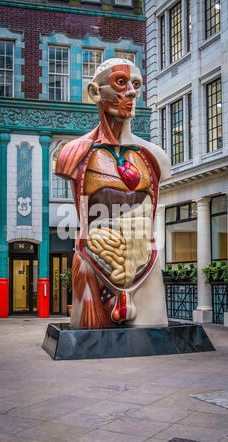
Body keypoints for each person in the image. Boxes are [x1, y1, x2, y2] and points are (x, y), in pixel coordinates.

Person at [56, 58, 171, 328]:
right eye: (121, 82)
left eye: (136, 85)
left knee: (151, 331)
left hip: (145, 264)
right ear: (96, 92)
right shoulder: (74, 154)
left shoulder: (155, 157)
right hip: (94, 262)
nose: (131, 91)